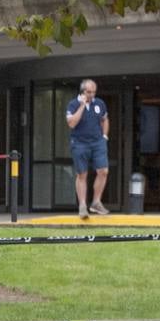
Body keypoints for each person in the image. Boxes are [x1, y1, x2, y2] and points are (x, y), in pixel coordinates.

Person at [65, 79, 110, 218]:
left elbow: (105, 119)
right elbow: (71, 123)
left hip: (97, 142)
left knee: (103, 170)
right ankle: (83, 206)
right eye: (89, 92)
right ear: (82, 91)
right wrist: (82, 106)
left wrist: (104, 136)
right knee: (82, 174)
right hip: (79, 143)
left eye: (94, 92)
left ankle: (96, 202)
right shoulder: (73, 104)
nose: (92, 95)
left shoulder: (100, 103)